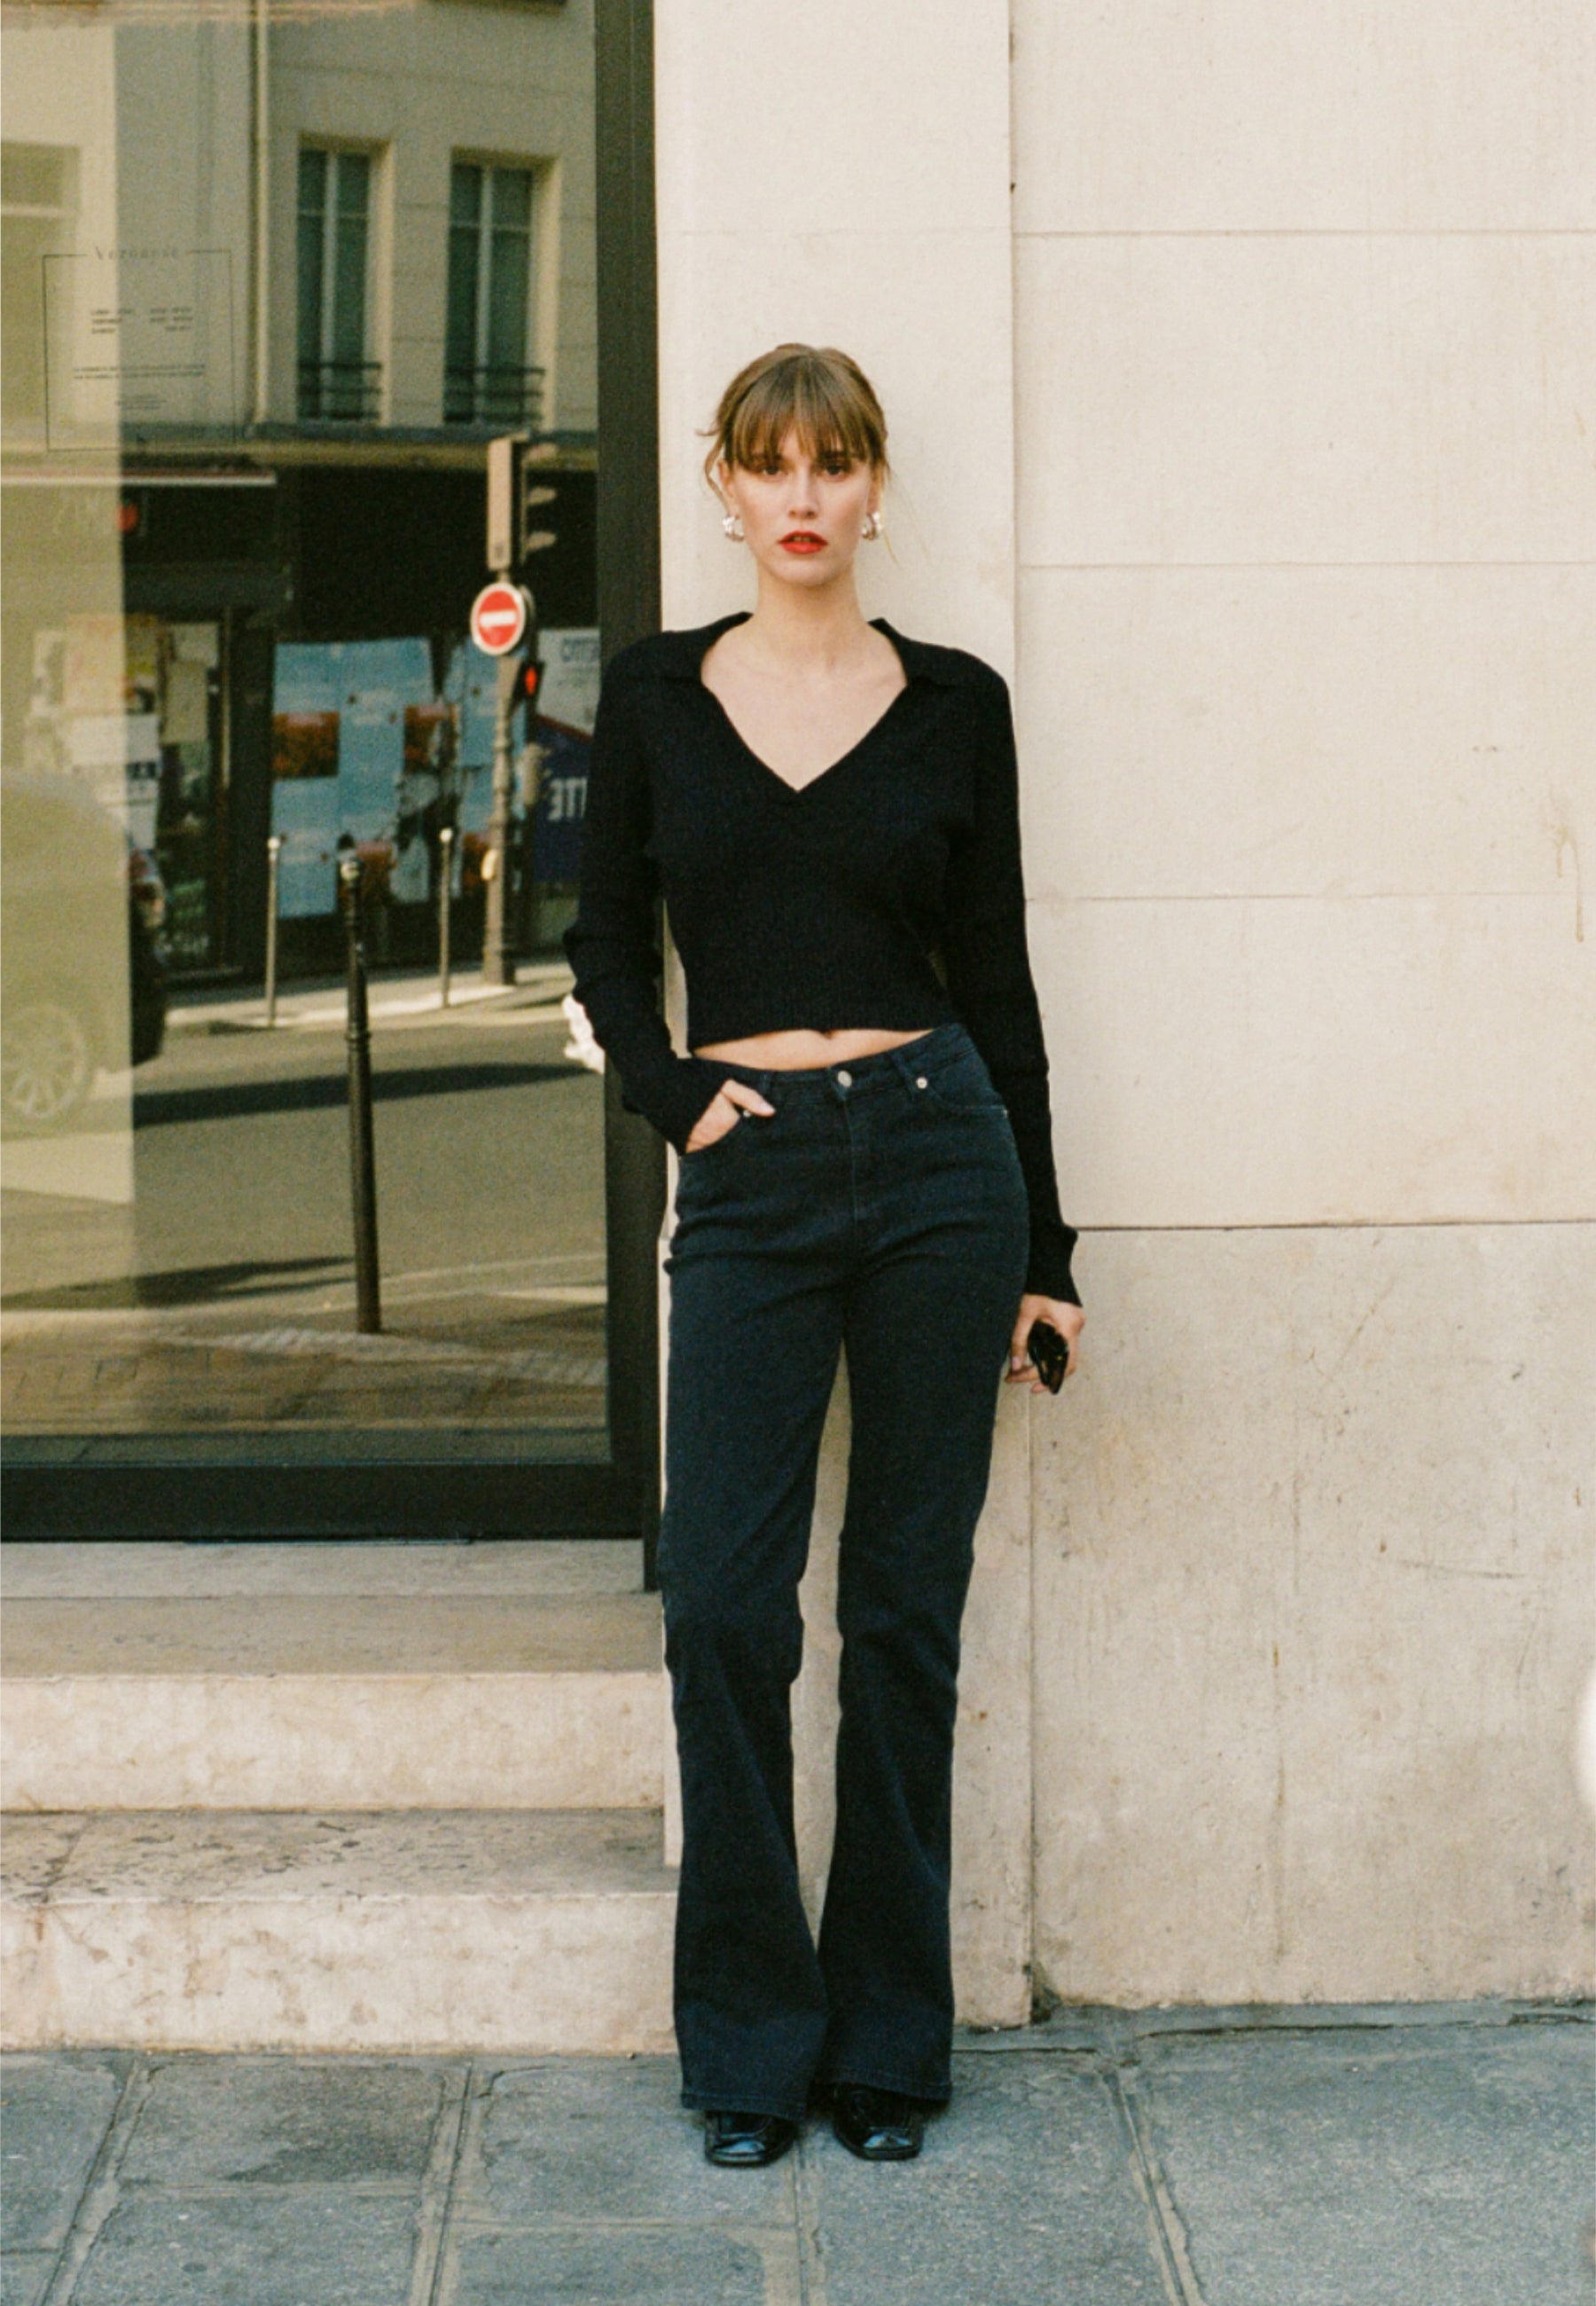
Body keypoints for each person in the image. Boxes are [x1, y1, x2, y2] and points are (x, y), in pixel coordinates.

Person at [562, 342, 1084, 2168]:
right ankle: (748, 2040)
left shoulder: (956, 705)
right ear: (721, 484)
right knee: (721, 1602)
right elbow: (605, 941)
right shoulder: (648, 695)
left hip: (945, 1162)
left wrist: (1053, 1250)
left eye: (836, 463)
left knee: (900, 1617)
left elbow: (1001, 981)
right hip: (759, 1176)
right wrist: (673, 1096)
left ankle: (883, 2042)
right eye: (770, 464)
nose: (803, 497)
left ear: (875, 491)